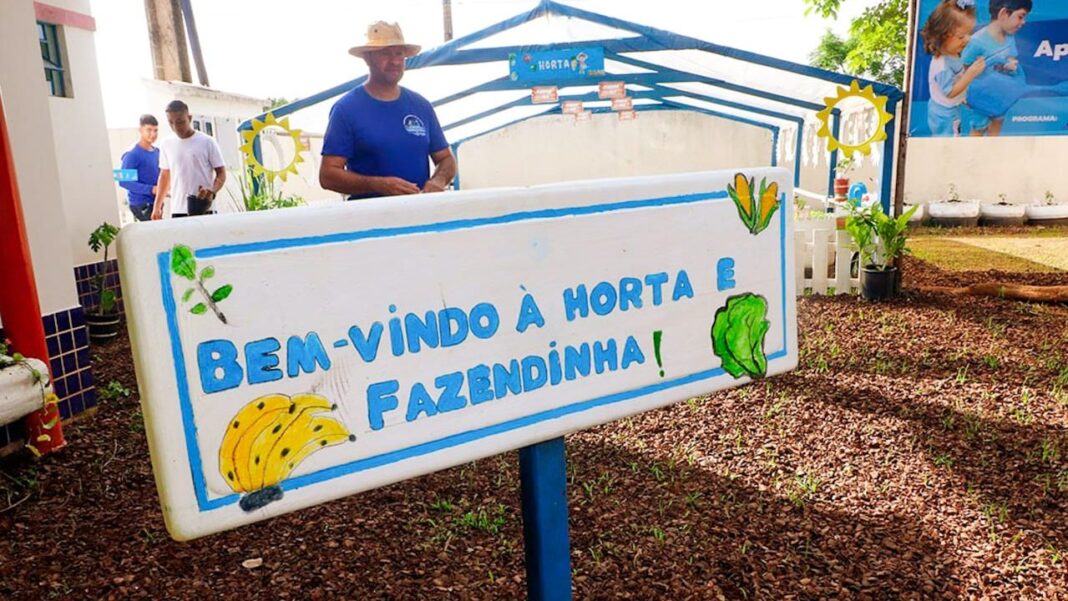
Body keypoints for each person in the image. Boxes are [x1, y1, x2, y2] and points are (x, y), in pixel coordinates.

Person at [320, 21, 455, 200]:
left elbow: (446, 159)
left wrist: (438, 180)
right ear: (367, 58)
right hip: (370, 221)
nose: (395, 61)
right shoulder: (346, 109)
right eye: (385, 53)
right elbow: (328, 175)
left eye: (399, 53)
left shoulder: (421, 106)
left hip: (420, 218)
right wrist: (378, 185)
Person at [961, 0, 1031, 136]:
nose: (1023, 22)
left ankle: (993, 155)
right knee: (979, 127)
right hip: (981, 97)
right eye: (1020, 17)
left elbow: (1011, 57)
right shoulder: (977, 42)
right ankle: (971, 156)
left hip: (1000, 96)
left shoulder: (1010, 38)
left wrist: (1010, 65)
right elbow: (966, 68)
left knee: (998, 122)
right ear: (1004, 13)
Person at [151, 100, 226, 219]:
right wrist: (157, 206)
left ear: (189, 118)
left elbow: (221, 172)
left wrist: (212, 191)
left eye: (180, 122)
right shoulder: (166, 144)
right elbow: (165, 175)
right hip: (178, 209)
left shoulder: (207, 142)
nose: (176, 127)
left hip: (204, 208)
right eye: (171, 123)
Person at [921, 0, 984, 137]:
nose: (967, 39)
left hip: (951, 107)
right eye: (961, 36)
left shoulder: (953, 55)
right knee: (949, 140)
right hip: (944, 114)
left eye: (970, 33)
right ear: (942, 36)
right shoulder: (941, 65)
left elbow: (958, 75)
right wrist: (970, 74)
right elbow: (950, 92)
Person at [119, 114, 161, 221]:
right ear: (140, 130)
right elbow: (123, 181)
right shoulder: (131, 153)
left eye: (155, 130)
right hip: (141, 204)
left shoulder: (157, 152)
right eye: (149, 130)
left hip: (156, 202)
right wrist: (151, 189)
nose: (153, 134)